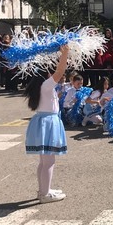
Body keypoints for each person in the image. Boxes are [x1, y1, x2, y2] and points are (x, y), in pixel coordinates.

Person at [24, 44, 69, 203]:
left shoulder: (42, 86)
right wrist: (65, 53)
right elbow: (60, 72)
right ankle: (45, 194)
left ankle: (44, 189)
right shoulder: (46, 85)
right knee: (49, 161)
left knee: (44, 161)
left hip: (44, 122)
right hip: (48, 123)